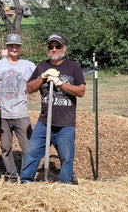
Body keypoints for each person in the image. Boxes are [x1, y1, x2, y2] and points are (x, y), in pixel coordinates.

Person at [19, 33, 86, 184]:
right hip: (44, 123)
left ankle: (64, 187)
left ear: (64, 48)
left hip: (65, 124)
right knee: (32, 153)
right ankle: (25, 183)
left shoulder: (73, 67)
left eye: (57, 46)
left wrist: (60, 83)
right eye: (51, 47)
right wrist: (42, 76)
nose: (54, 49)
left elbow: (81, 91)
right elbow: (29, 88)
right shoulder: (42, 66)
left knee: (66, 158)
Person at [0, 34, 35, 182]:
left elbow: (40, 78)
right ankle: (11, 174)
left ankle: (25, 176)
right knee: (6, 147)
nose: (14, 48)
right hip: (3, 114)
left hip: (21, 113)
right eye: (11, 45)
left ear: (20, 47)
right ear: (7, 47)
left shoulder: (28, 65)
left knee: (27, 148)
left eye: (16, 45)